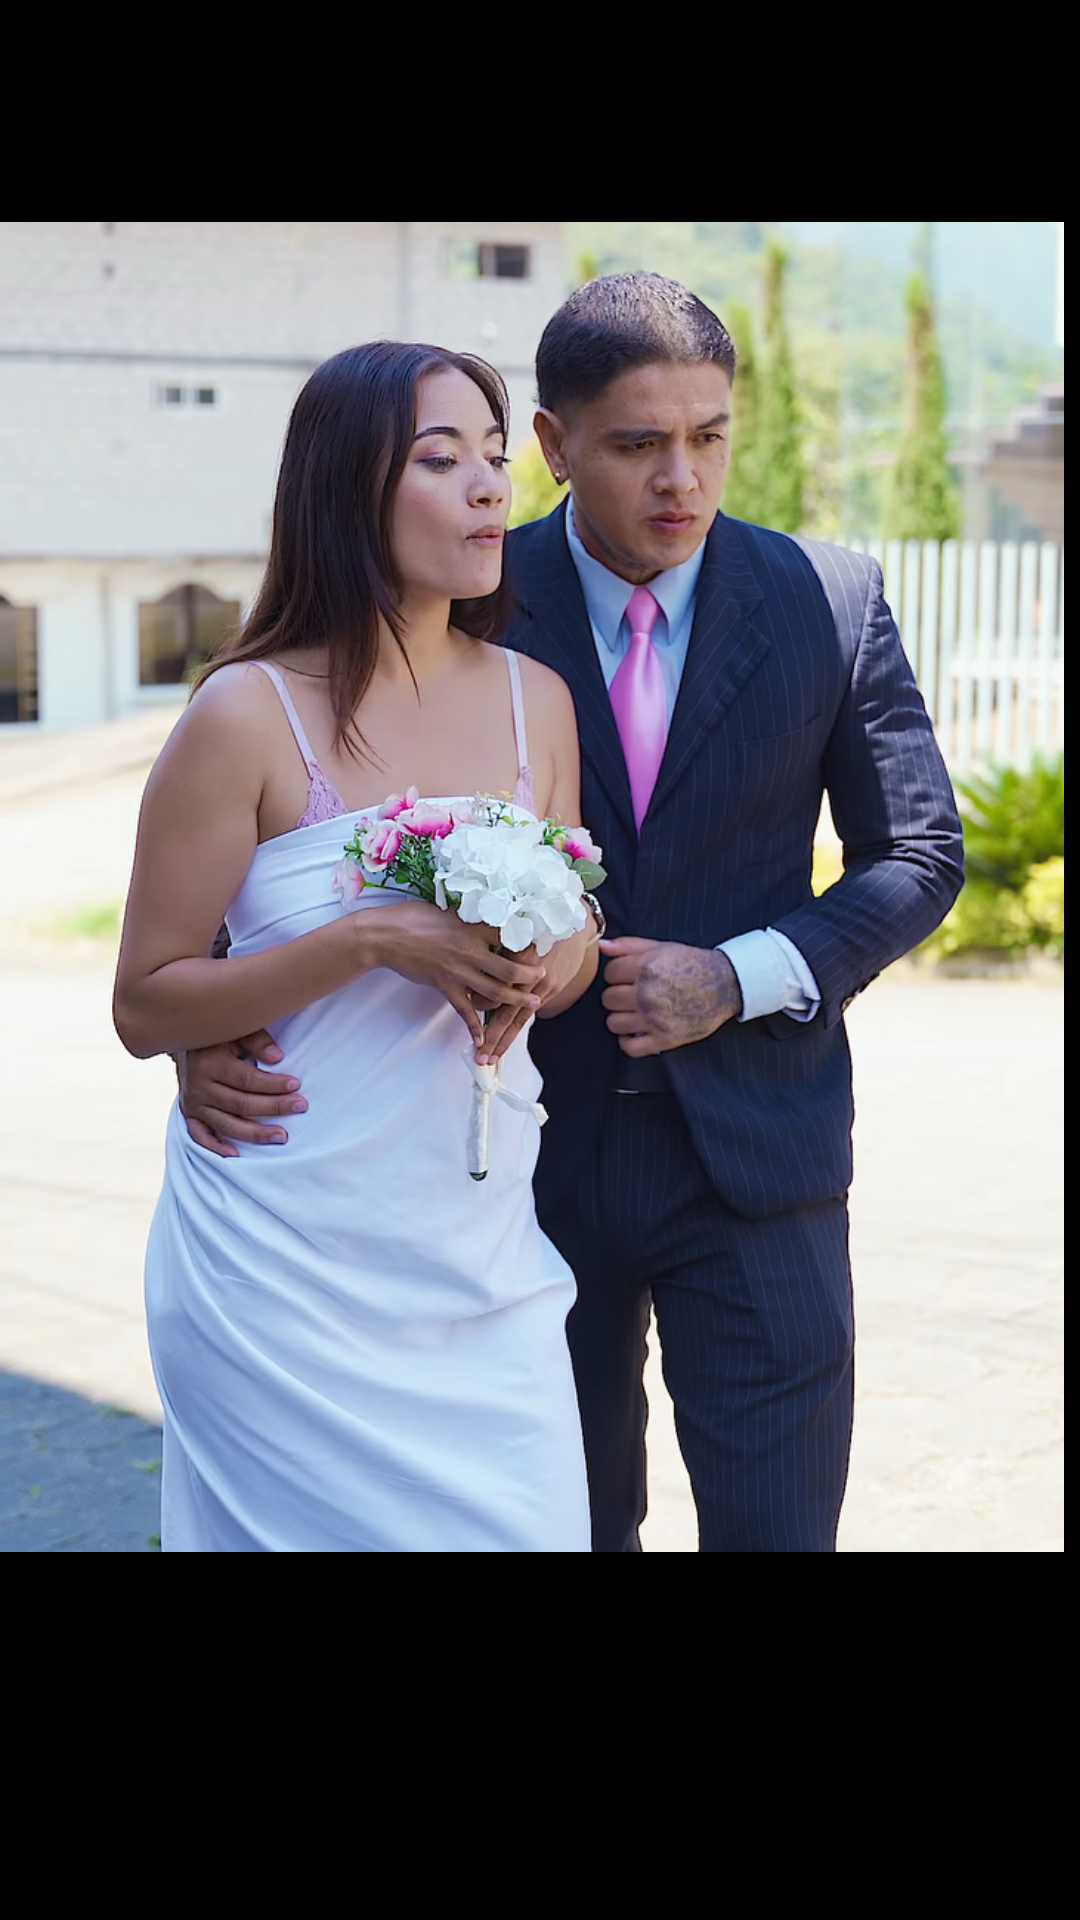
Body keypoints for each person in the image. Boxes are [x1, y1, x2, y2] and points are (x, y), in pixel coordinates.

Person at [179, 275, 965, 1553]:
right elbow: (296, 833)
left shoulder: (832, 599)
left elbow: (918, 853)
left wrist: (743, 973)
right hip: (512, 1183)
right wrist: (210, 1031)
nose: (683, 480)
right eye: (639, 444)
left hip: (759, 1162)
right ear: (552, 445)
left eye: (710, 436)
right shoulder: (456, 587)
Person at [113, 340, 603, 1552]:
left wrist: (555, 967)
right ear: (347, 488)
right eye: (443, 460)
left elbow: (583, 922)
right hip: (281, 1264)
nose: (492, 487)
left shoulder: (533, 698)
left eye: (495, 459)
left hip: (480, 1253)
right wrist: (372, 938)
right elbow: (146, 1002)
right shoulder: (245, 712)